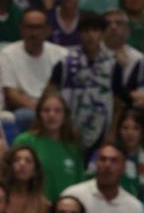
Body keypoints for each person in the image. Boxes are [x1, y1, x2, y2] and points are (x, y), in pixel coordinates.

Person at [49, 11, 121, 153]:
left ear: (102, 33)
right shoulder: (65, 63)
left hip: (100, 126)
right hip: (68, 127)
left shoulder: (113, 65)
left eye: (95, 30)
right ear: (79, 34)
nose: (90, 35)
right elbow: (51, 93)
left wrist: (112, 131)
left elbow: (118, 102)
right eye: (86, 31)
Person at [12, 92, 85, 203]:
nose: (51, 115)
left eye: (57, 111)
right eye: (46, 111)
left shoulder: (73, 147)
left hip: (65, 212)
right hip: (33, 207)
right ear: (39, 115)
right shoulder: (25, 141)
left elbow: (80, 184)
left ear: (65, 116)